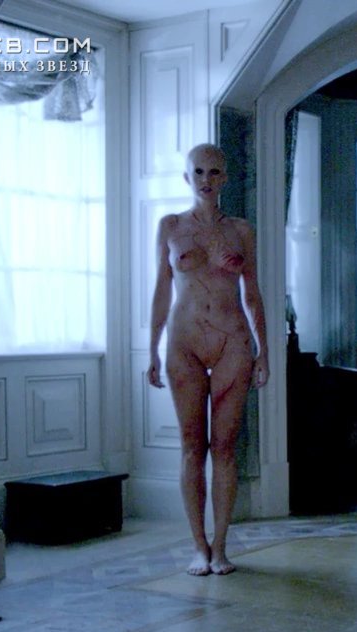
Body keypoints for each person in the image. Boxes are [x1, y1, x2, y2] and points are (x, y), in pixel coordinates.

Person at [147, 143, 269, 576]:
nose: (206, 180)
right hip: (184, 342)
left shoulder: (241, 230)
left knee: (225, 447)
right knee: (191, 447)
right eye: (198, 172)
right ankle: (199, 546)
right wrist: (152, 348)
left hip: (232, 339)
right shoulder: (171, 226)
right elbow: (162, 290)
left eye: (214, 172)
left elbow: (252, 293)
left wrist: (264, 350)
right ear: (187, 177)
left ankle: (221, 547)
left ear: (225, 179)